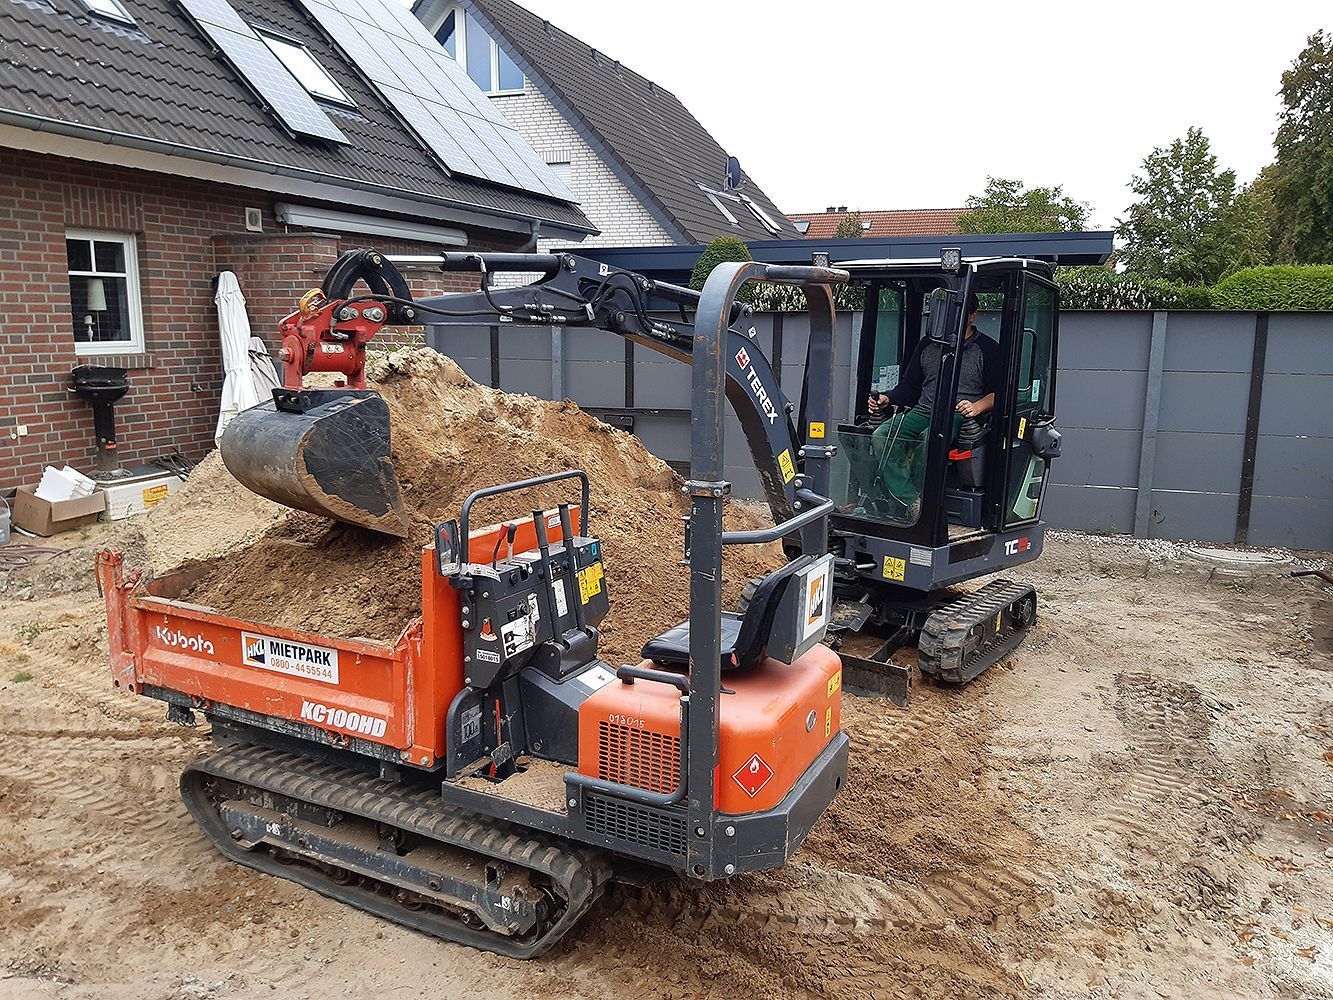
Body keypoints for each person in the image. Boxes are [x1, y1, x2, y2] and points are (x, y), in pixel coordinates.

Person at [866, 291, 1000, 519]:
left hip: (958, 413)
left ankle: (923, 499)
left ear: (973, 315)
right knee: (881, 435)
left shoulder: (987, 349)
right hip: (923, 410)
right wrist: (888, 398)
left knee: (930, 439)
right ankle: (911, 500)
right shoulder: (927, 345)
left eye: (957, 312)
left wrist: (977, 407)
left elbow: (998, 394)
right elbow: (910, 386)